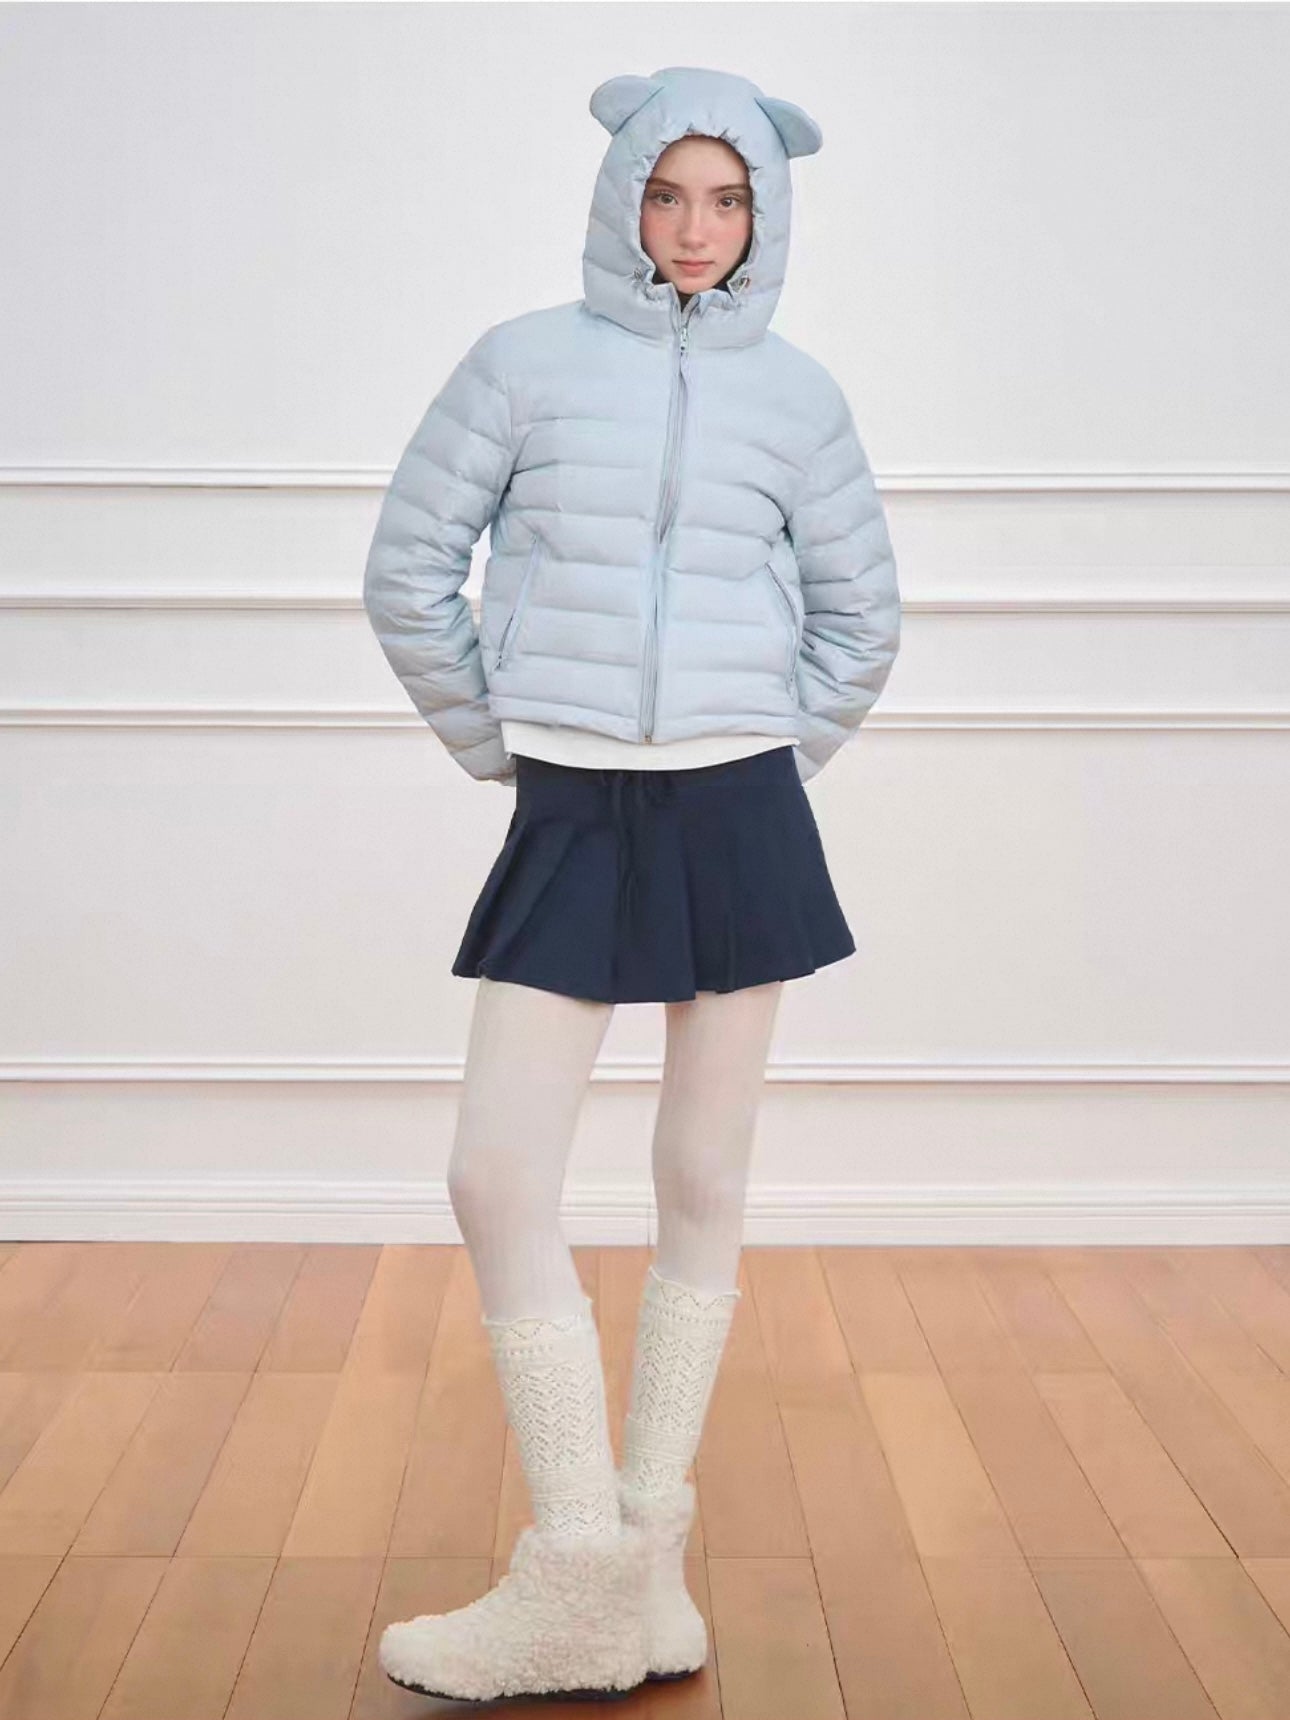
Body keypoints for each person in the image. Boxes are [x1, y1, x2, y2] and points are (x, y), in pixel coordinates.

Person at [362, 64, 900, 1703]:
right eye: (667, 194)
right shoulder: (521, 365)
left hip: (739, 804)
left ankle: (642, 1566)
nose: (694, 227)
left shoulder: (797, 397)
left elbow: (859, 617)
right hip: (576, 797)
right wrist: (499, 745)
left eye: (726, 199)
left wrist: (762, 752)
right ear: (621, 199)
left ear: (765, 214)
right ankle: (579, 1560)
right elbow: (407, 569)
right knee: (496, 1174)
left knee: (703, 1175)